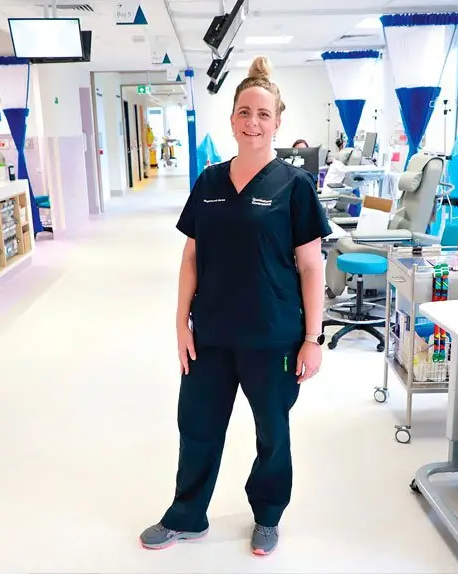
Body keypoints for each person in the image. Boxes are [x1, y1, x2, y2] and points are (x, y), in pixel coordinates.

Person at [139, 56, 331, 557]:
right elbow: (191, 256)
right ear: (231, 119)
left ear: (278, 123)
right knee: (197, 428)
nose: (253, 122)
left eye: (263, 115)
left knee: (272, 435)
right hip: (212, 336)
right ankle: (186, 514)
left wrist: (314, 338)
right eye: (244, 112)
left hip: (274, 337)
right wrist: (180, 324)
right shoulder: (208, 183)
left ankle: (267, 515)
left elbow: (312, 268)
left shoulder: (295, 186)